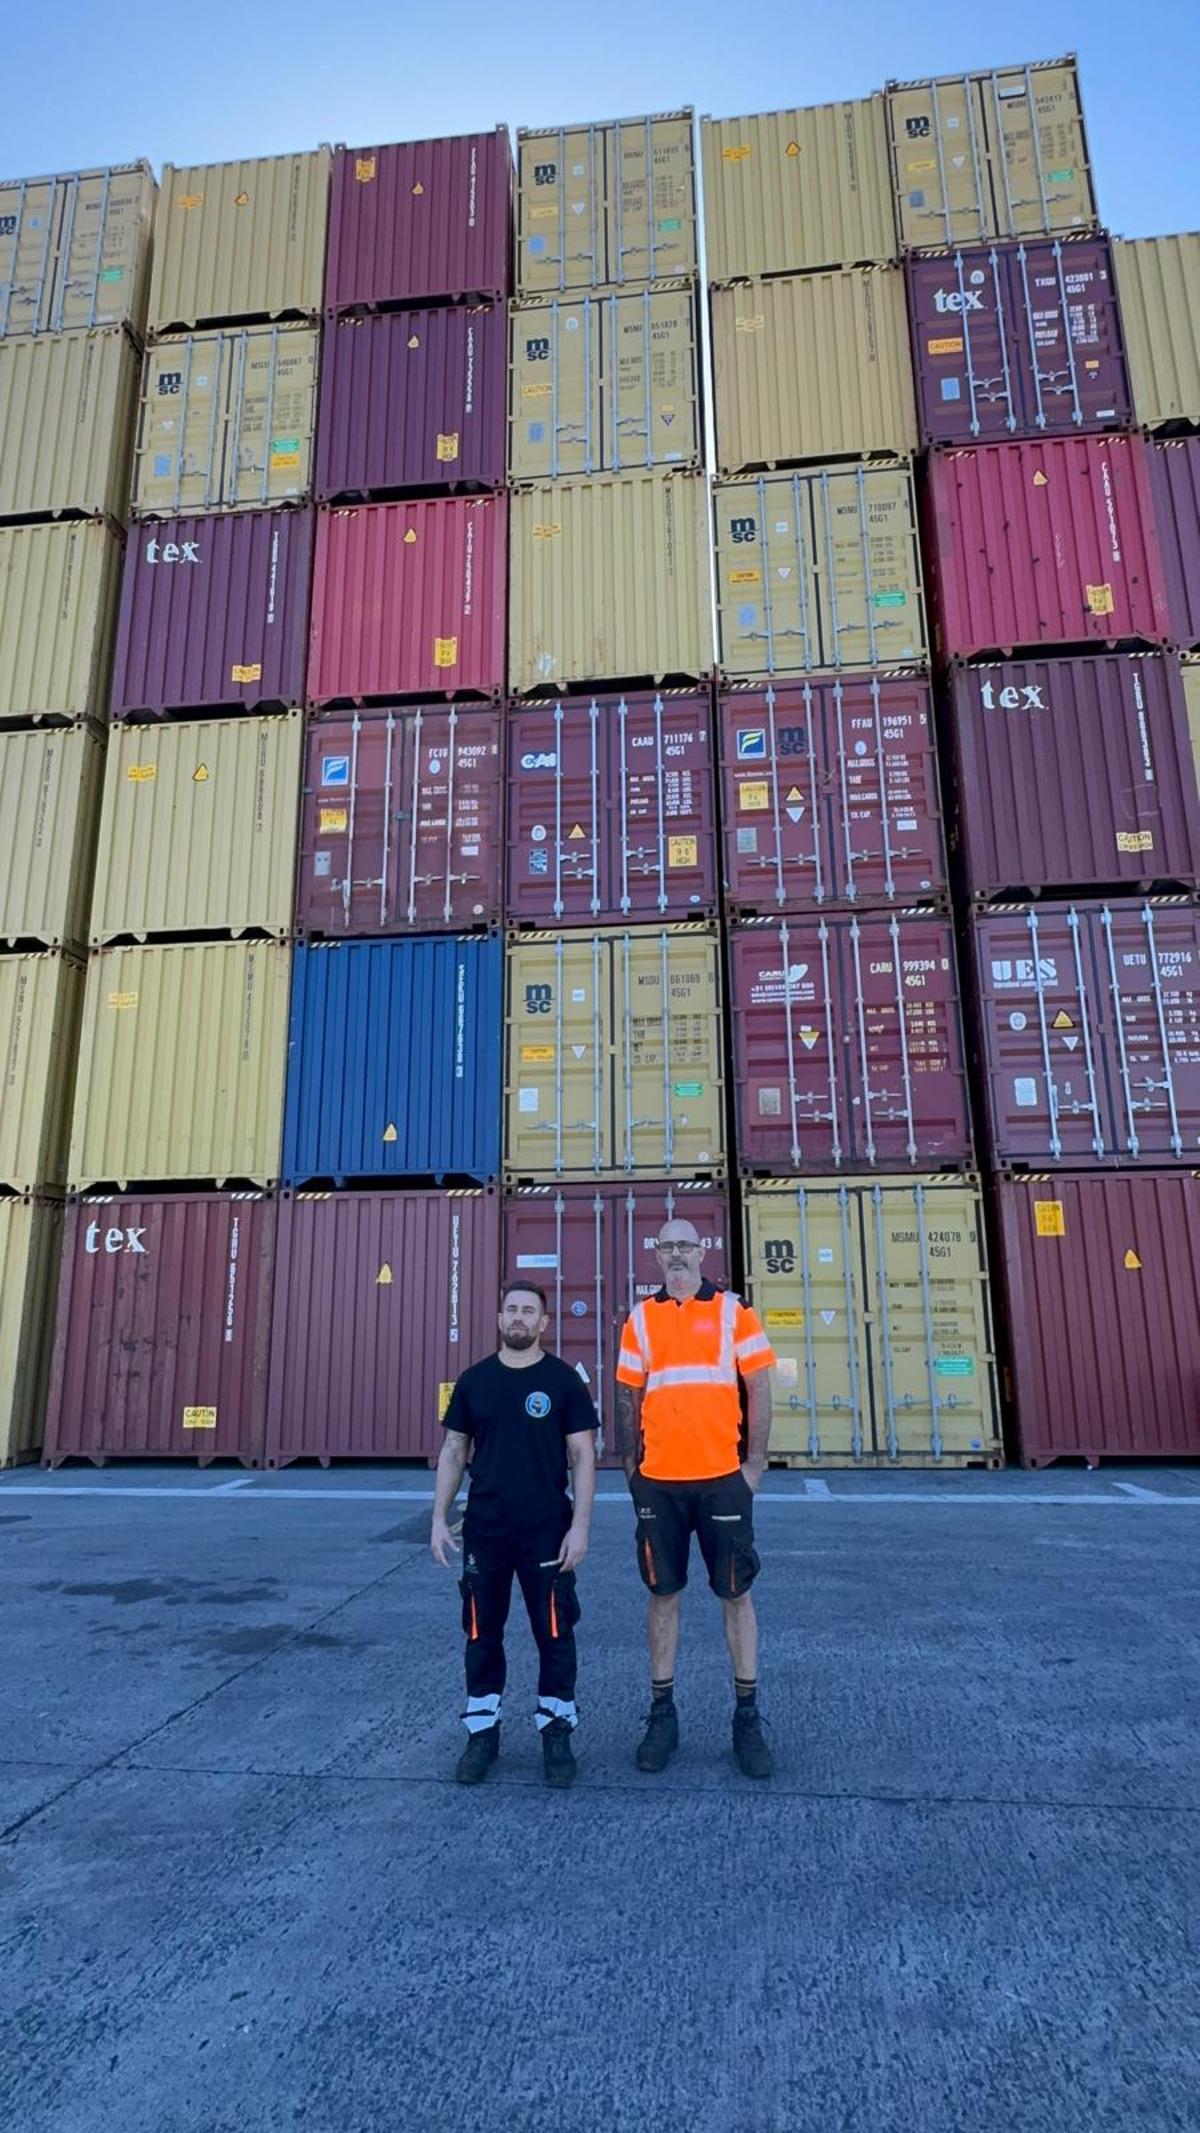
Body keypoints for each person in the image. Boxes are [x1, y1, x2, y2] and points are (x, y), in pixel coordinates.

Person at [614, 1219, 776, 1779]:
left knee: (736, 1595)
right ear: (656, 1257)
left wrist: (753, 1465)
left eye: (686, 1244)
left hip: (721, 1479)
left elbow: (758, 1386)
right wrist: (631, 1466)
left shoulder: (735, 1311)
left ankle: (747, 1719)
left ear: (701, 1251)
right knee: (663, 1594)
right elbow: (628, 1394)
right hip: (659, 1483)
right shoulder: (642, 1317)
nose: (677, 1254)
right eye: (668, 1247)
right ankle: (663, 1715)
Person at [431, 1280, 598, 1789]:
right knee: (482, 1634)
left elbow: (584, 1456)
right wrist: (438, 1517)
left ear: (545, 1323)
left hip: (547, 1534)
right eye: (511, 1310)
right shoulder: (475, 1380)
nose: (520, 1318)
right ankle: (482, 1733)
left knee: (554, 1633)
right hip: (486, 1533)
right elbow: (455, 1450)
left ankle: (556, 1732)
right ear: (499, 1319)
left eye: (529, 1311)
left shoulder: (564, 1381)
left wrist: (581, 1527)